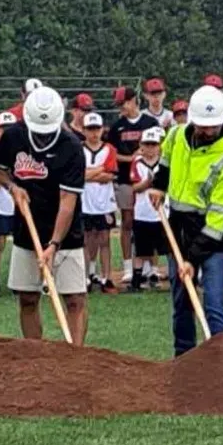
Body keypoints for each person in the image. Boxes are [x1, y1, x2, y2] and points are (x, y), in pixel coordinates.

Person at [148, 85, 223, 356]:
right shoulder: (177, 134)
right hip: (179, 229)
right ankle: (184, 357)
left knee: (213, 302)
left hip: (213, 237)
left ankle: (219, 360)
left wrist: (191, 260)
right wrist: (159, 185)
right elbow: (166, 159)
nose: (208, 131)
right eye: (203, 126)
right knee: (181, 301)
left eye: (213, 126)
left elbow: (216, 225)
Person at [0, 86, 90, 345]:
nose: (42, 137)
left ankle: (75, 356)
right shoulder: (13, 137)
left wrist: (54, 244)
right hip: (26, 228)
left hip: (66, 235)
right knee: (27, 297)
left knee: (75, 299)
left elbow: (67, 202)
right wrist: (12, 187)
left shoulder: (72, 147)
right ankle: (35, 354)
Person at [107, 86, 160, 287]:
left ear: (133, 101)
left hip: (147, 174)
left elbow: (159, 145)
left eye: (123, 104)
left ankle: (149, 267)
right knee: (128, 222)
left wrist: (145, 155)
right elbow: (112, 153)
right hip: (125, 178)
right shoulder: (117, 127)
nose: (121, 108)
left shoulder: (149, 122)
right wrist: (131, 158)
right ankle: (129, 267)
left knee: (151, 222)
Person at [81, 112, 119, 293]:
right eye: (90, 129)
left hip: (104, 201)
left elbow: (110, 175)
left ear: (102, 129)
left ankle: (106, 276)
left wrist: (90, 173)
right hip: (85, 201)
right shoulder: (78, 149)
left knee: (105, 239)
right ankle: (86, 276)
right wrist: (100, 170)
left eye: (97, 129)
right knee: (86, 239)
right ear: (84, 130)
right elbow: (79, 174)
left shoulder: (109, 149)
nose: (94, 133)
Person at [128, 127, 167, 292]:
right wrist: (148, 182)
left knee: (164, 247)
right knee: (141, 248)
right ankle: (137, 279)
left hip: (161, 213)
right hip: (142, 213)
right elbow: (135, 187)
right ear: (141, 146)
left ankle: (156, 274)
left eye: (153, 145)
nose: (150, 148)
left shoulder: (164, 163)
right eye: (147, 144)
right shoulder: (137, 163)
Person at [0, 110, 18, 288]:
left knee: (20, 244)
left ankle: (17, 279)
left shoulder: (21, 150)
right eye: (3, 128)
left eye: (10, 128)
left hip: (17, 201)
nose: (6, 131)